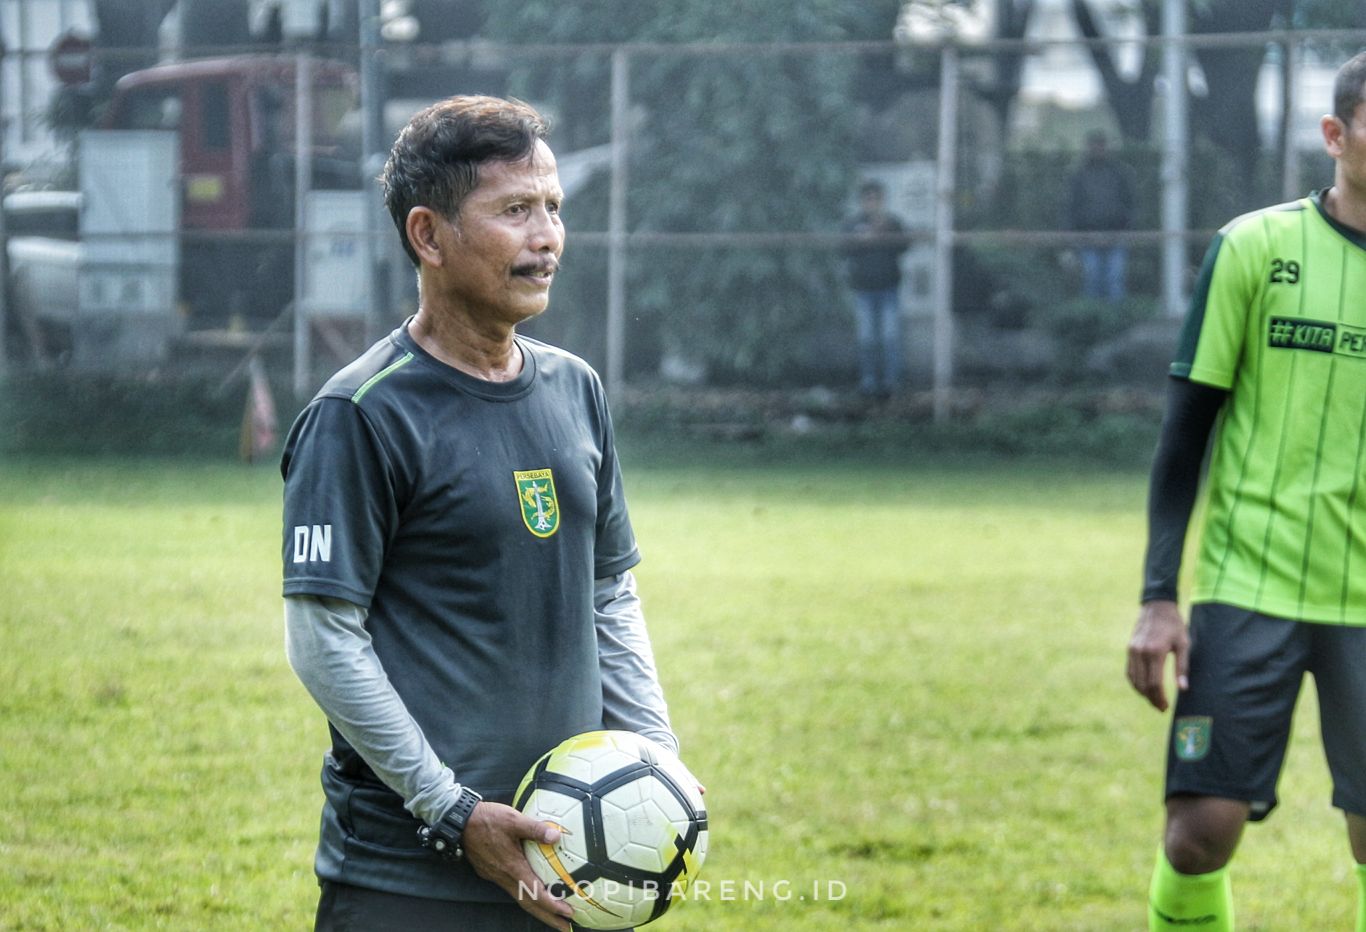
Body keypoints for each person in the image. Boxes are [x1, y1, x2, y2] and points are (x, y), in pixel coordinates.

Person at [280, 95, 680, 932]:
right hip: (405, 883)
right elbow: (324, 640)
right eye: (514, 211)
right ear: (428, 235)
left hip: (565, 867)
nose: (547, 238)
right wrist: (452, 811)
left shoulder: (576, 387)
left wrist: (654, 760)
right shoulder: (359, 413)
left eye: (553, 209)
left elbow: (610, 595)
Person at [1127, 50, 1366, 932]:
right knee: (1198, 835)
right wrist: (1159, 597)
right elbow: (1185, 434)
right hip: (1248, 587)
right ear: (1335, 135)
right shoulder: (1255, 248)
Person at [841, 179, 910, 398]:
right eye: (868, 198)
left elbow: (905, 247)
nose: (872, 202)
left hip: (889, 288)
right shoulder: (853, 224)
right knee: (867, 338)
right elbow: (843, 250)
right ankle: (868, 382)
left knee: (891, 338)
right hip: (863, 289)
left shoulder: (893, 222)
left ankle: (892, 382)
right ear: (862, 201)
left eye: (876, 198)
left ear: (882, 200)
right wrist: (862, 240)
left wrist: (885, 234)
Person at [1068, 129, 1134, 303]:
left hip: (1116, 235)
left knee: (1115, 279)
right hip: (1088, 237)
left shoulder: (1119, 173)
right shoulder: (1079, 175)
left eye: (1101, 145)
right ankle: (1093, 321)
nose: (1098, 149)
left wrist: (1125, 228)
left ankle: (1115, 320)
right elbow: (1071, 207)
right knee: (1092, 279)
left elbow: (1129, 203)